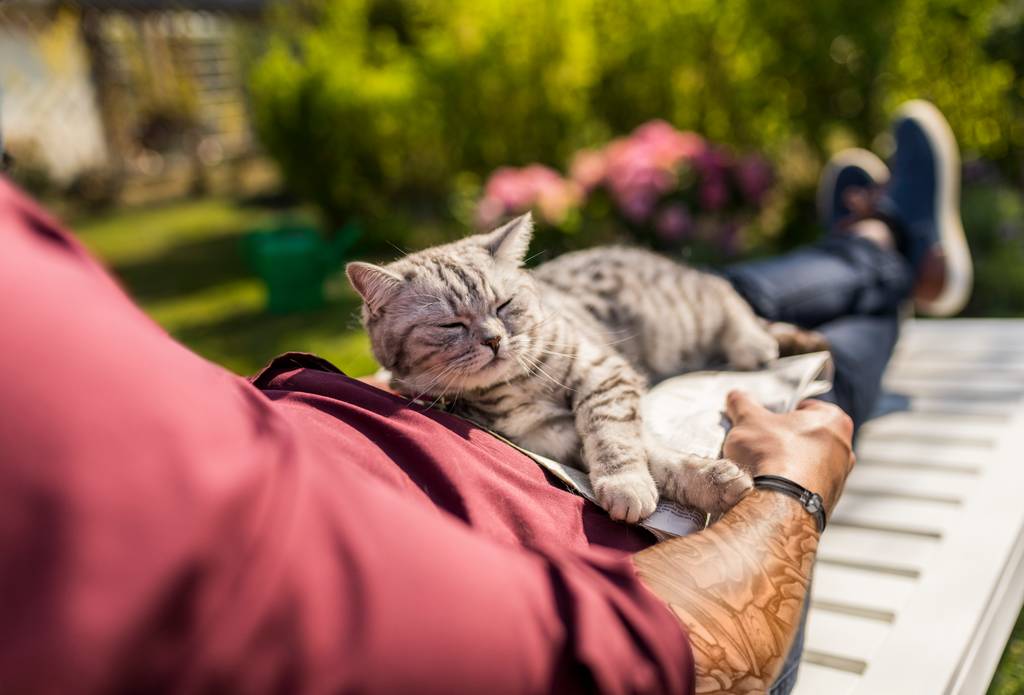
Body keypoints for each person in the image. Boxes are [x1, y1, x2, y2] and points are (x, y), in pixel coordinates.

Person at [0, 100, 969, 695]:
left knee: (729, 294)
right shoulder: (227, 607)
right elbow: (632, 658)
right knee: (805, 377)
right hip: (636, 534)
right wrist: (790, 495)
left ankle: (876, 246)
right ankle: (890, 248)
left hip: (536, 369)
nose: (485, 339)